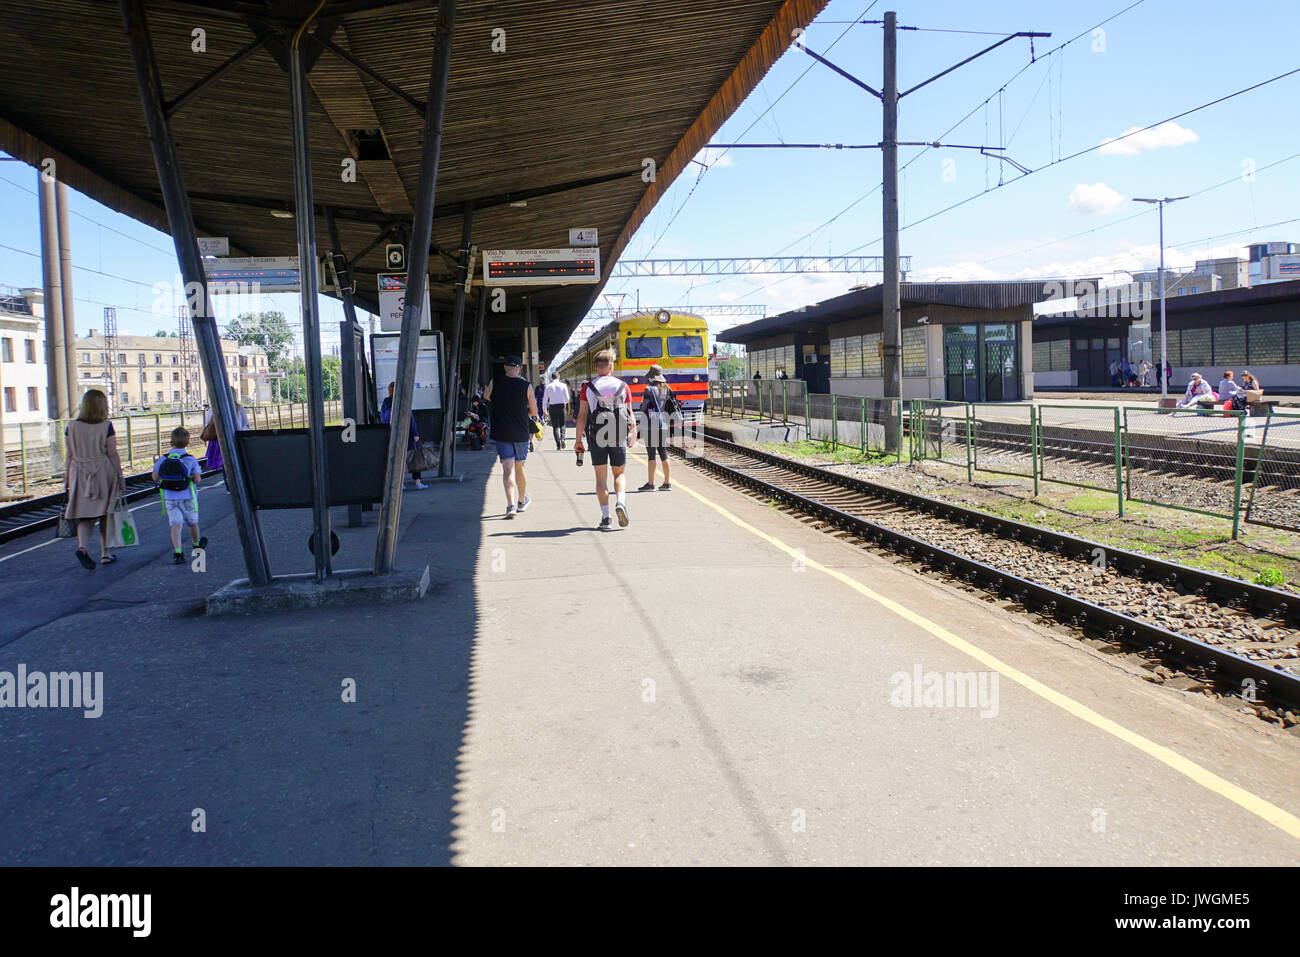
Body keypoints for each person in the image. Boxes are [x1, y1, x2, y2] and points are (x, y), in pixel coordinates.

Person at [575, 349, 637, 529]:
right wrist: (632, 435)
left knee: (601, 480)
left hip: (597, 436)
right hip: (618, 434)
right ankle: (621, 502)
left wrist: (578, 440)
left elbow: (582, 416)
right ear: (611, 366)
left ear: (596, 367)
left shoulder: (588, 387)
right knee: (620, 474)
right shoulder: (623, 386)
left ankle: (606, 518)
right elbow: (630, 414)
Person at [63, 389, 125, 569]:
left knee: (85, 515)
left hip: (79, 473)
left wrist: (67, 479)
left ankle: (82, 548)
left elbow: (69, 455)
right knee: (105, 513)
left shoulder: (71, 426)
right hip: (103, 473)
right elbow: (112, 453)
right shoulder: (106, 426)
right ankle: (105, 554)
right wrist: (120, 477)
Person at [484, 356, 537, 518]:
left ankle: (510, 505)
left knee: (508, 468)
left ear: (505, 367)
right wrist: (523, 411)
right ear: (520, 368)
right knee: (520, 467)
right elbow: (534, 412)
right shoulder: (526, 385)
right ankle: (521, 500)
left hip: (501, 432)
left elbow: (486, 396)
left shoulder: (496, 381)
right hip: (521, 432)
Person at [153, 427, 208, 564]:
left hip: (170, 498)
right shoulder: (190, 459)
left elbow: (155, 477)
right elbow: (196, 479)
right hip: (188, 496)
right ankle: (196, 545)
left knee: (175, 525)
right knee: (192, 523)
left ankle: (178, 553)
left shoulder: (163, 459)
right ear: (187, 442)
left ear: (171, 442)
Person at [380, 381, 428, 489]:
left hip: (392, 435)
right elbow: (410, 419)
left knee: (397, 461)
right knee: (414, 459)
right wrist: (415, 434)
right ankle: (418, 482)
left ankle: (400, 484)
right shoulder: (402, 401)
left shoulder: (386, 402)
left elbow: (383, 418)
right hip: (406, 435)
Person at [638, 364, 674, 491]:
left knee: (651, 455)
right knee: (664, 453)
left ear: (652, 376)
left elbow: (644, 407)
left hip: (651, 424)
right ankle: (667, 482)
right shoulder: (667, 388)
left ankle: (651, 483)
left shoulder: (648, 389)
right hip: (663, 423)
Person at [202, 390, 249, 476]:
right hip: (236, 441)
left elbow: (207, 426)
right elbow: (245, 425)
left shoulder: (212, 410)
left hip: (218, 442)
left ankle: (229, 485)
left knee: (225, 467)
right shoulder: (239, 408)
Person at [542, 372, 571, 450]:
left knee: (555, 427)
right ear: (559, 377)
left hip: (552, 407)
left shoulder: (548, 386)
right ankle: (563, 439)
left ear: (551, 378)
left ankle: (558, 445)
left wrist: (545, 410)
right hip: (561, 406)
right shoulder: (563, 385)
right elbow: (567, 398)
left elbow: (545, 400)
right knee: (562, 424)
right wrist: (564, 402)